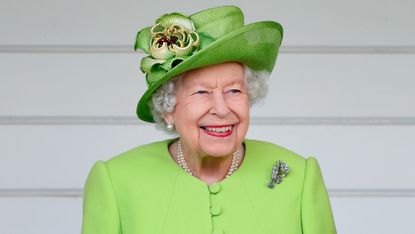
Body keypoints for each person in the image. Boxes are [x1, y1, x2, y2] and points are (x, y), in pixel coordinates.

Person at [82, 5, 336, 234]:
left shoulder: (299, 176)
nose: (221, 109)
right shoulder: (116, 181)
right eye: (201, 92)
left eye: (234, 91)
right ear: (168, 107)